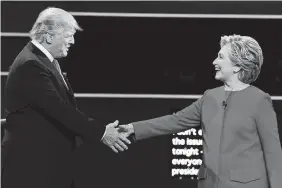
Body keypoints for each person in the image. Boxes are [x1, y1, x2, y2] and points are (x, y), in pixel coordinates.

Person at [119, 35, 282, 188]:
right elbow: (175, 121)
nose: (214, 61)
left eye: (221, 57)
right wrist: (134, 128)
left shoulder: (259, 100)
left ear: (237, 66)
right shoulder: (209, 97)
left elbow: (273, 152)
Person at [2, 7, 130, 188]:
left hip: (47, 163)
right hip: (32, 167)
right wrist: (101, 132)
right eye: (68, 35)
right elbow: (59, 108)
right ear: (49, 36)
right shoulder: (31, 64)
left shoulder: (45, 61)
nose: (72, 41)